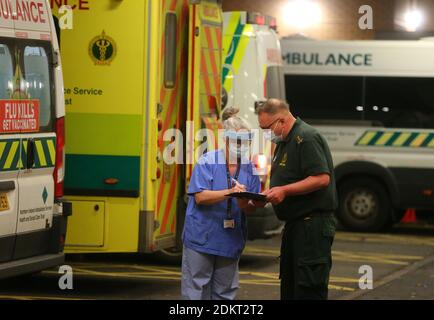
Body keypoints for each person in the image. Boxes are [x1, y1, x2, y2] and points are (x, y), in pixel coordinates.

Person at [257, 98, 338, 300]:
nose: (266, 133)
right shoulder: (285, 141)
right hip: (296, 225)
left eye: (267, 128)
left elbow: (321, 178)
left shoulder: (307, 138)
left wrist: (283, 190)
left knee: (307, 288)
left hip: (312, 227)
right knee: (291, 287)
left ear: (282, 121)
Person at [181, 107, 261, 300]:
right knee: (196, 291)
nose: (242, 146)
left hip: (229, 239)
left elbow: (251, 205)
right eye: (237, 141)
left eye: (246, 142)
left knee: (225, 293)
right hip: (202, 237)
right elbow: (200, 197)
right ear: (225, 140)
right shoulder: (208, 161)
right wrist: (230, 192)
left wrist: (244, 203)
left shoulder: (250, 168)